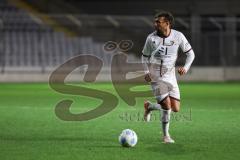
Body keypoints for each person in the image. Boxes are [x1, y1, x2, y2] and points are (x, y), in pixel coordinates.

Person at [142, 11, 195, 143]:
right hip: (156, 76)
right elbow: (144, 56)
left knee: (175, 108)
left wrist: (185, 68)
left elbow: (191, 54)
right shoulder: (151, 38)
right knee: (166, 105)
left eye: (158, 22)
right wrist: (145, 72)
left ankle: (150, 106)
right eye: (155, 22)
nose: (155, 24)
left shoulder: (178, 36)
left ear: (167, 23)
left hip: (171, 76)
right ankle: (166, 136)